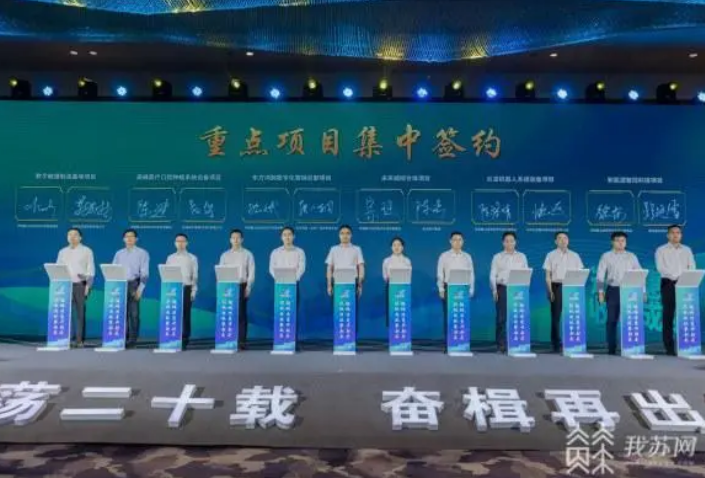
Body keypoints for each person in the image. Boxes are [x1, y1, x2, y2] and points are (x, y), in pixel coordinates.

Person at [597, 231, 644, 355]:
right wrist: (600, 292)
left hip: (630, 291)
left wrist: (643, 291)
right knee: (612, 320)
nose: (620, 243)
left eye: (623, 241)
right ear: (612, 242)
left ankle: (630, 346)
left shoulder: (632, 256)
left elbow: (640, 274)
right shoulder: (606, 256)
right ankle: (611, 347)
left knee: (630, 319)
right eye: (618, 240)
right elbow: (600, 275)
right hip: (613, 290)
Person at [655, 224, 696, 356]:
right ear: (668, 235)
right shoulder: (661, 250)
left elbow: (692, 266)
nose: (675, 235)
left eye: (678, 233)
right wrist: (676, 277)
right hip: (668, 283)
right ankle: (669, 348)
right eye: (672, 233)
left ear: (681, 235)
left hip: (686, 284)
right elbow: (660, 268)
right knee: (668, 316)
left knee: (686, 315)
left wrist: (686, 278)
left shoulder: (687, 250)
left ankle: (687, 345)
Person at [543, 231, 584, 353]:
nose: (563, 240)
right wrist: (550, 290)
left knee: (573, 315)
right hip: (557, 286)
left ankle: (573, 342)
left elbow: (580, 273)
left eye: (565, 238)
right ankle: (556, 343)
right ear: (555, 241)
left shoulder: (575, 255)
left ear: (568, 240)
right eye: (560, 238)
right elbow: (547, 276)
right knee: (556, 316)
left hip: (572, 287)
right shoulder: (550, 255)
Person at [490, 231, 529, 353]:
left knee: (518, 317)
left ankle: (517, 344)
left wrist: (525, 289)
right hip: (503, 288)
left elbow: (526, 273)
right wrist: (494, 290)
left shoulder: (522, 256)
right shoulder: (497, 257)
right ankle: (501, 345)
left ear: (515, 242)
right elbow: (492, 275)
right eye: (507, 241)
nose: (509, 243)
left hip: (518, 289)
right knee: (501, 318)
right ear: (503, 243)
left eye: (511, 241)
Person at [56, 227, 95, 348]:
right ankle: (65, 339)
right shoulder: (62, 252)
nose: (72, 237)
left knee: (80, 314)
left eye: (75, 235)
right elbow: (57, 268)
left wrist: (88, 286)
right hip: (65, 286)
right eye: (69, 235)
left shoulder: (87, 251)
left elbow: (91, 270)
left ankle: (79, 340)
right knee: (64, 313)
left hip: (80, 285)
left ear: (80, 237)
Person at [112, 228, 150, 348]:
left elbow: (145, 273)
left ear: (136, 239)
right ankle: (122, 337)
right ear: (123, 239)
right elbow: (113, 269)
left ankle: (133, 340)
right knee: (121, 313)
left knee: (134, 314)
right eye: (127, 237)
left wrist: (140, 289)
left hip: (134, 284)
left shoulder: (142, 253)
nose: (129, 239)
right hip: (120, 284)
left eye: (132, 236)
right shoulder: (119, 253)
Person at [219, 229, 255, 350]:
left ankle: (241, 341)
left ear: (242, 239)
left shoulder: (248, 254)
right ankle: (227, 340)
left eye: (238, 237)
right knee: (228, 313)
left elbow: (251, 272)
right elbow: (221, 271)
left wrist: (249, 286)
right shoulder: (225, 255)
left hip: (241, 285)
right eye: (233, 238)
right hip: (227, 286)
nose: (235, 240)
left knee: (241, 314)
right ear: (230, 240)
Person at [436, 231, 475, 344]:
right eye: (455, 240)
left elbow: (471, 274)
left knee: (462, 316)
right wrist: (441, 288)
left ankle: (462, 343)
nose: (457, 242)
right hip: (449, 288)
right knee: (449, 316)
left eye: (459, 240)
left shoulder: (467, 257)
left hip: (463, 288)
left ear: (463, 242)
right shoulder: (444, 256)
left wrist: (471, 289)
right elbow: (440, 273)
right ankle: (449, 344)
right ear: (450, 241)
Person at [269, 226, 306, 342]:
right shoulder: (275, 252)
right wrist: (279, 279)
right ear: (281, 237)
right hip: (280, 285)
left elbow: (302, 268)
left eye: (289, 234)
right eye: (285, 235)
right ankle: (280, 340)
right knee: (280, 312)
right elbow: (271, 268)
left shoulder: (300, 251)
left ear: (294, 236)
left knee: (292, 312)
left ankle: (292, 341)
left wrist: (293, 279)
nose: (287, 237)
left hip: (293, 285)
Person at [326, 225, 365, 333]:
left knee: (351, 310)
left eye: (347, 233)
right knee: (338, 310)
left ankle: (351, 337)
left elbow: (361, 267)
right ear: (339, 235)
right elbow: (329, 267)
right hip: (337, 282)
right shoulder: (334, 249)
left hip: (352, 282)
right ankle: (339, 336)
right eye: (342, 233)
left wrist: (360, 285)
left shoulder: (357, 249)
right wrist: (329, 285)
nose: (345, 235)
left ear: (351, 235)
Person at [166, 233, 198, 350]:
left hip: (186, 288)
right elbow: (167, 273)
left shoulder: (192, 258)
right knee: (173, 314)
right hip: (172, 289)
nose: (180, 243)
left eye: (182, 241)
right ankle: (172, 338)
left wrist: (193, 291)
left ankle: (184, 339)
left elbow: (195, 276)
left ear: (186, 243)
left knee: (185, 315)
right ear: (175, 243)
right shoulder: (170, 258)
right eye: (178, 241)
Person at [383, 236, 412, 326]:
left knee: (403, 311)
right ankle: (391, 330)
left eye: (399, 245)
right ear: (391, 247)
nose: (396, 247)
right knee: (392, 310)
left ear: (402, 247)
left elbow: (409, 276)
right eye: (394, 245)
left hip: (404, 288)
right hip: (391, 288)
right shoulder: (386, 261)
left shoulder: (407, 260)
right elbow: (385, 276)